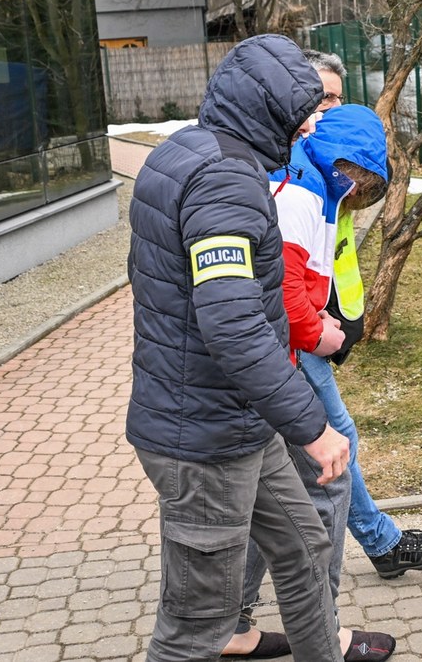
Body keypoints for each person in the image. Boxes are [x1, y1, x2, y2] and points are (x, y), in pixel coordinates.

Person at [126, 34, 350, 662]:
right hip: (202, 442)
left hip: (236, 422)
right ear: (269, 107)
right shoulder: (225, 180)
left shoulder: (185, 152)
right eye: (306, 109)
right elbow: (232, 325)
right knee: (196, 626)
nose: (312, 124)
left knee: (305, 550)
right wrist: (312, 426)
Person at [223, 104, 400, 662]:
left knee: (267, 499)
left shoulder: (298, 176)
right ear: (350, 172)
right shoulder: (301, 195)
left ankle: (233, 623)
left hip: (269, 368)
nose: (355, 201)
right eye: (359, 189)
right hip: (282, 366)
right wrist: (318, 332)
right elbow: (281, 292)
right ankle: (326, 635)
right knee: (329, 479)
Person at [300, 48, 422, 580]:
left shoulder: (331, 165)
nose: (325, 112)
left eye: (335, 99)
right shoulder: (297, 172)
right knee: (333, 442)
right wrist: (314, 327)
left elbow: (331, 252)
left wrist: (348, 316)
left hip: (319, 323)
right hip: (296, 333)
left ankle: (241, 602)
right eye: (318, 99)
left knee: (299, 459)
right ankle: (380, 545)